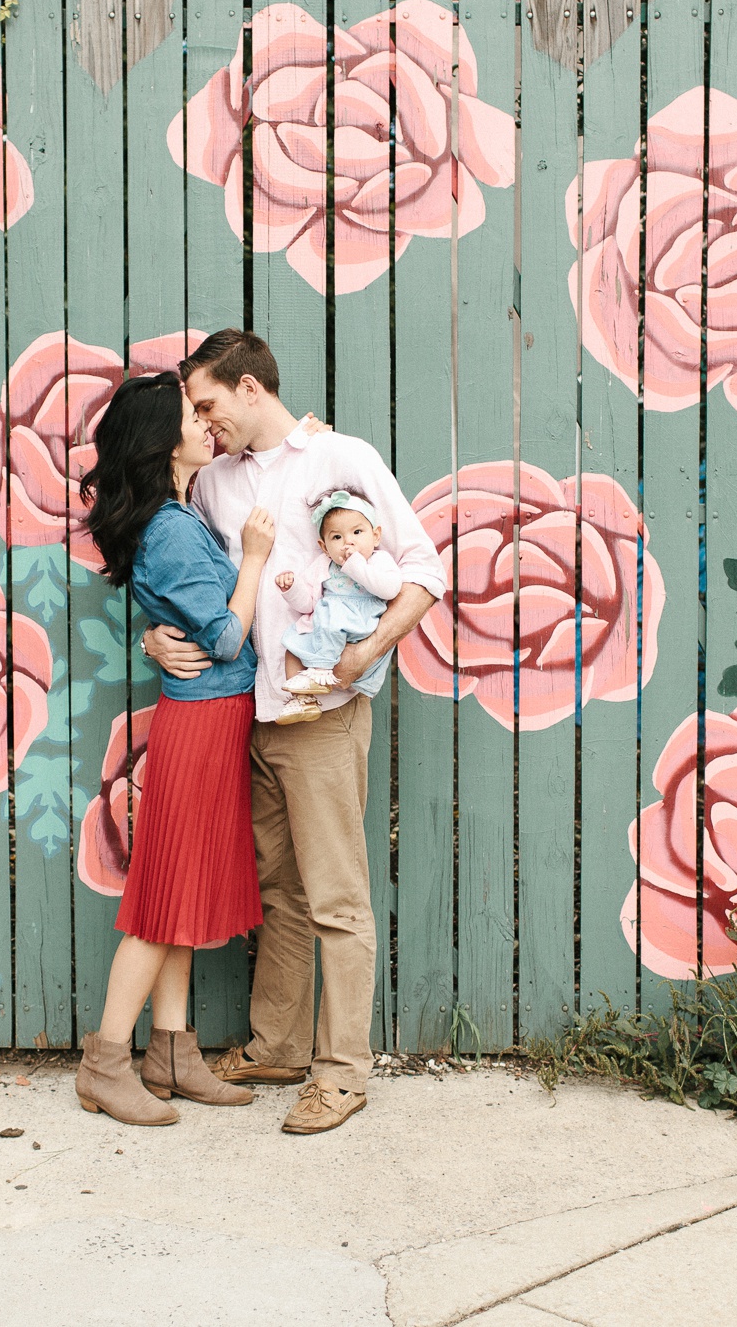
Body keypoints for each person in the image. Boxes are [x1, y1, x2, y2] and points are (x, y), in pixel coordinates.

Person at [145, 329, 443, 1136]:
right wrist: (154, 637)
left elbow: (425, 570)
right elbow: (192, 585)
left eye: (208, 404)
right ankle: (277, 1045)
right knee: (278, 890)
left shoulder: (341, 459)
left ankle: (343, 1071)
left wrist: (367, 652)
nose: (203, 424)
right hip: (247, 715)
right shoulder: (212, 484)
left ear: (250, 388)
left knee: (337, 895)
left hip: (321, 714)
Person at [75, 371, 276, 1126]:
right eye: (193, 415)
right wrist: (254, 557)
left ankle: (170, 1052)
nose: (205, 422)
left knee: (182, 894)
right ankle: (106, 1061)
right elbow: (226, 637)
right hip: (200, 725)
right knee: (161, 904)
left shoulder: (180, 514)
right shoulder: (169, 526)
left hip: (211, 723)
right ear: (165, 441)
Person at [273, 491, 404, 724]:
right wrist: (292, 588)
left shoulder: (378, 561)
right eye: (337, 538)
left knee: (333, 617)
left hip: (361, 620)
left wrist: (356, 564)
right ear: (324, 547)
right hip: (327, 620)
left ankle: (320, 671)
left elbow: (389, 589)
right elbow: (309, 603)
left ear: (375, 536)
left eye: (357, 532)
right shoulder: (324, 565)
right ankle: (303, 701)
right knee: (293, 645)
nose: (348, 542)